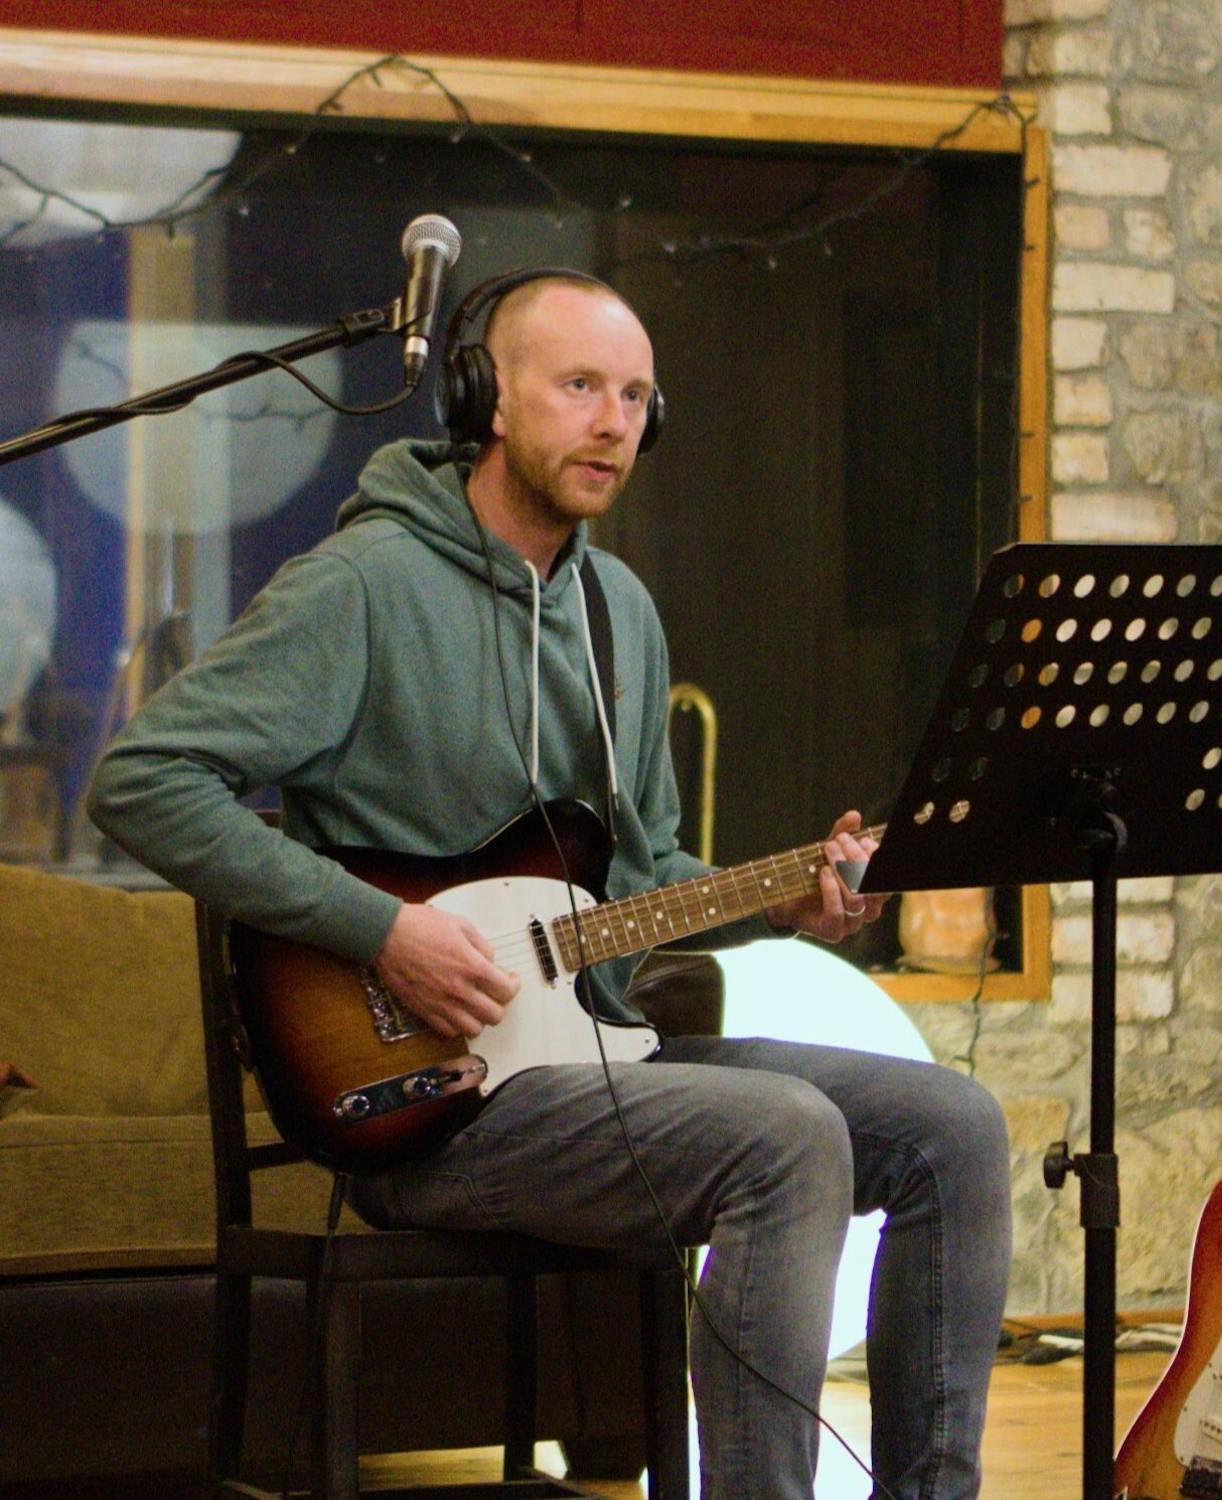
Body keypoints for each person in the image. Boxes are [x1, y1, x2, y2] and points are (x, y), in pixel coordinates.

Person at [88, 269, 1011, 1500]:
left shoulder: (619, 612)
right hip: (438, 1102)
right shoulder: (361, 587)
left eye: (634, 396)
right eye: (579, 385)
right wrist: (383, 929)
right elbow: (143, 778)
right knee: (785, 1138)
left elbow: (642, 874)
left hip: (599, 1063)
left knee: (957, 1128)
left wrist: (784, 900)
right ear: (486, 396)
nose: (613, 422)